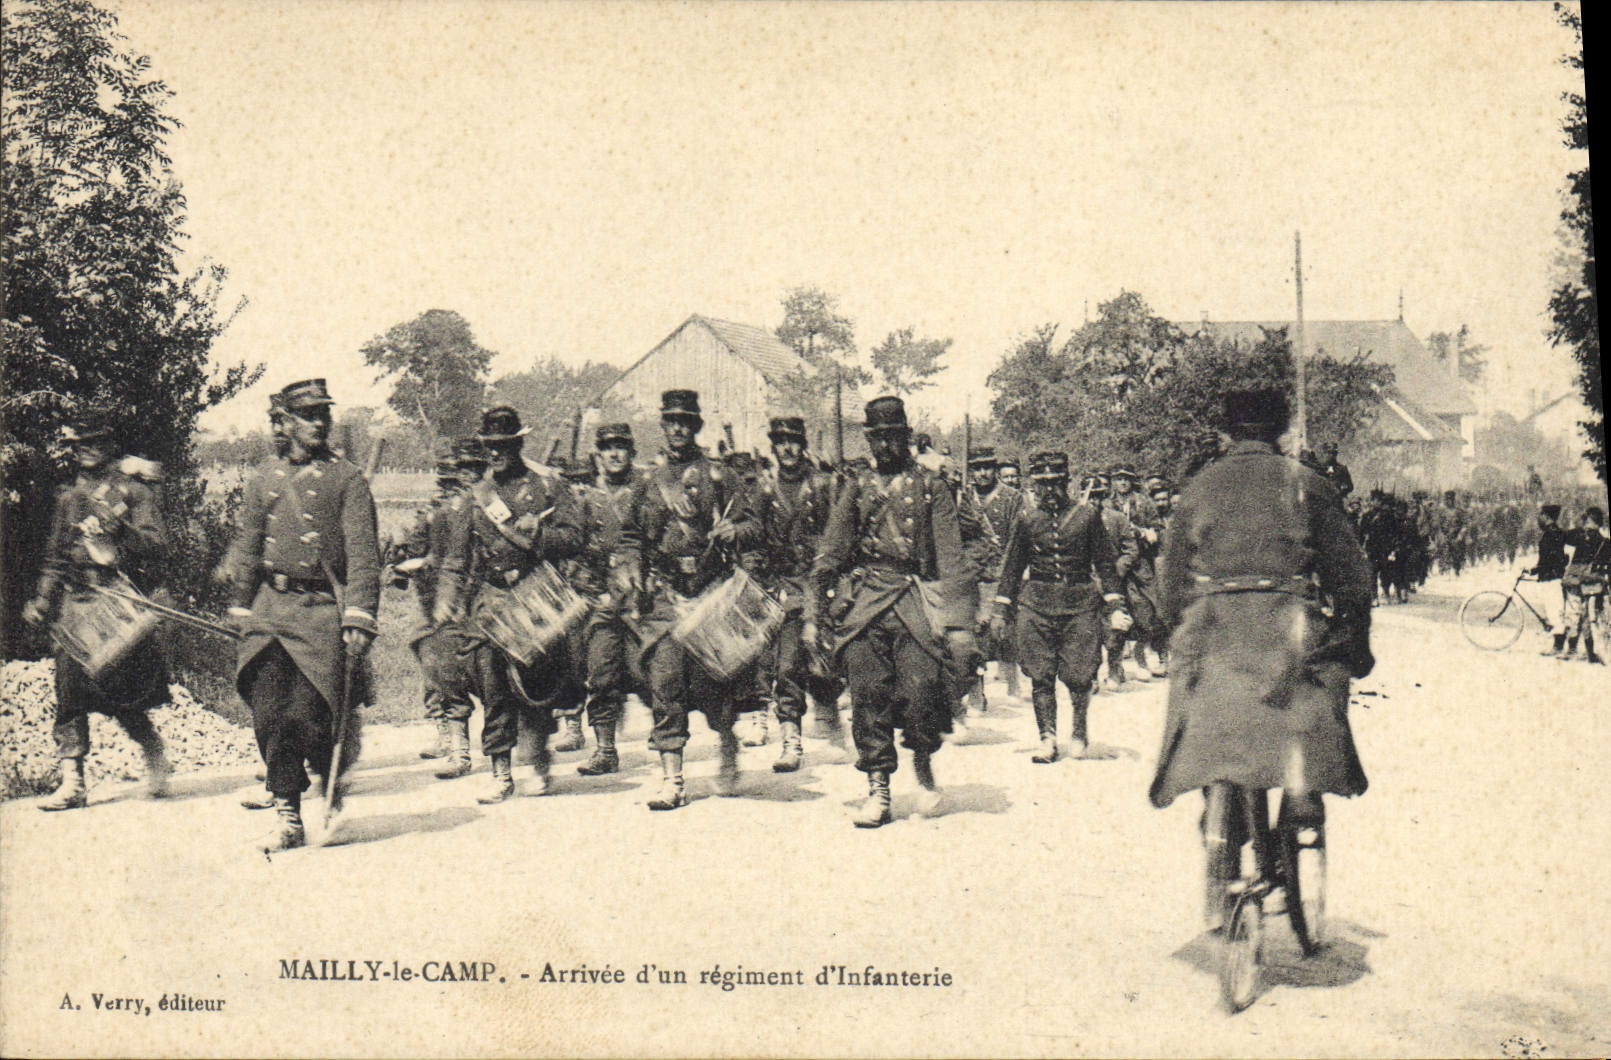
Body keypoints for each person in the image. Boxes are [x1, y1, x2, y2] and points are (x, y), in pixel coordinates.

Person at [1149, 389, 1374, 928]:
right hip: (1287, 622)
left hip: (1215, 625)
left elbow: (1170, 578)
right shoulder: (1309, 484)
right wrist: (1352, 637)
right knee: (1315, 709)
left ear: (1227, 432)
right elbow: (1352, 578)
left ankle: (1217, 812)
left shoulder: (1199, 487)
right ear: (1280, 430)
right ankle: (1302, 800)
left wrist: (1177, 626)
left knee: (1198, 715)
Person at [216, 380, 380, 850]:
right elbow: (248, 546)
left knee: (311, 713)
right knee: (270, 712)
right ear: (285, 422)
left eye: (323, 414)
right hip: (270, 612)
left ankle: (331, 783)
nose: (318, 423)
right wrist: (239, 605)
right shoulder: (264, 477)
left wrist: (359, 615)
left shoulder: (345, 479)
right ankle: (287, 813)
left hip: (321, 611)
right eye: (308, 415)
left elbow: (364, 555)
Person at [805, 396, 978, 828]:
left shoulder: (931, 487)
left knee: (921, 693)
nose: (885, 446)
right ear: (869, 440)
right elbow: (830, 551)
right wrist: (814, 612)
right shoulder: (857, 487)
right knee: (867, 697)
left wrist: (959, 625)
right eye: (877, 438)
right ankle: (878, 788)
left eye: (893, 437)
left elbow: (951, 556)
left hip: (913, 598)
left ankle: (922, 762)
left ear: (906, 438)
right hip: (864, 603)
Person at [433, 406, 584, 803]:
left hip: (536, 596)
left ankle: (537, 757)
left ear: (517, 443)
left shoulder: (547, 488)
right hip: (491, 601)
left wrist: (540, 534)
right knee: (492, 684)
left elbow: (574, 538)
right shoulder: (475, 498)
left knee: (533, 684)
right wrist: (446, 599)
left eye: (503, 445)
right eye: (489, 446)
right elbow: (454, 558)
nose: (495, 452)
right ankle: (501, 770)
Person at [24, 415, 175, 810]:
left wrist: (119, 529)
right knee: (69, 686)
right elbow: (55, 557)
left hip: (115, 598)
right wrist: (43, 598)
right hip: (74, 603)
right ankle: (73, 779)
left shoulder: (131, 491)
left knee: (117, 690)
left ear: (108, 443)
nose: (86, 449)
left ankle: (151, 746)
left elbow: (157, 546)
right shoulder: (69, 496)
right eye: (79, 443)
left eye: (94, 441)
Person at [619, 390, 760, 810]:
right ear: (662, 426)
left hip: (711, 590)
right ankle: (672, 778)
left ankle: (727, 741)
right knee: (664, 680)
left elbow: (754, 523)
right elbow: (630, 536)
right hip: (666, 593)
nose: (677, 428)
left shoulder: (720, 477)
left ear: (696, 427)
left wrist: (736, 532)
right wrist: (630, 566)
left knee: (717, 685)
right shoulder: (649, 481)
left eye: (685, 421)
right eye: (670, 421)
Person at [988, 451, 1125, 762]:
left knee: (1079, 674)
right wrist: (1000, 610)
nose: (1050, 490)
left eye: (1056, 483)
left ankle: (1078, 730)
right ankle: (1047, 738)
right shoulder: (1027, 520)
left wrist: (1116, 605)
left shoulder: (1087, 515)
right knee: (1040, 674)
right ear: (1034, 486)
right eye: (1043, 484)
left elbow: (1105, 563)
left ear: (1067, 482)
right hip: (1036, 604)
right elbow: (1012, 567)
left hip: (1079, 603)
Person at [392, 438, 487, 779]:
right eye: (456, 476)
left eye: (474, 470)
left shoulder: (493, 506)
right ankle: (454, 742)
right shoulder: (439, 512)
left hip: (487, 596)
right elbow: (417, 550)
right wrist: (404, 559)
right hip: (442, 597)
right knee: (437, 661)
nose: (465, 479)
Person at [753, 415, 844, 771]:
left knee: (824, 661)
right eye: (780, 441)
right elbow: (754, 535)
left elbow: (838, 532)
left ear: (803, 444)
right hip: (783, 585)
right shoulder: (764, 488)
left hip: (819, 582)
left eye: (793, 441)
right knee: (787, 663)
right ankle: (792, 741)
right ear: (772, 446)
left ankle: (830, 714)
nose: (787, 448)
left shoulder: (823, 484)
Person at [566, 423, 648, 775]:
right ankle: (605, 749)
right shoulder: (584, 499)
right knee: (600, 674)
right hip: (602, 598)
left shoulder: (648, 491)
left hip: (643, 598)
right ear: (597, 455)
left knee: (652, 673)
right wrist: (592, 590)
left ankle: (667, 737)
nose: (614, 454)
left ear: (631, 452)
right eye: (607, 448)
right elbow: (575, 550)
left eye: (621, 447)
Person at [961, 447, 1026, 701]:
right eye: (977, 468)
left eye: (987, 467)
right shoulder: (963, 498)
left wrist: (1010, 570)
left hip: (1003, 571)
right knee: (973, 632)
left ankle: (1012, 683)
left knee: (1005, 631)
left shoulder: (1012, 498)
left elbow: (1017, 537)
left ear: (995, 469)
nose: (983, 473)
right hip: (972, 572)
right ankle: (977, 692)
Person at [1560, 506, 1609, 663]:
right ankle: (1590, 652)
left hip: (1575, 581)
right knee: (1589, 617)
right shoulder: (1605, 542)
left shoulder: (1581, 537)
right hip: (1594, 584)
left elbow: (1564, 536)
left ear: (1589, 521)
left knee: (1574, 614)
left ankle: (1572, 649)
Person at [1529, 504, 1569, 656]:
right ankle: (1557, 646)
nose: (1539, 518)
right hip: (1550, 576)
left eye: (1541, 515)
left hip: (1552, 577)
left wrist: (1536, 569)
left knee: (1555, 613)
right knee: (1554, 611)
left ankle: (1558, 647)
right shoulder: (1553, 532)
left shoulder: (1551, 534)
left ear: (1546, 516)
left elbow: (1551, 558)